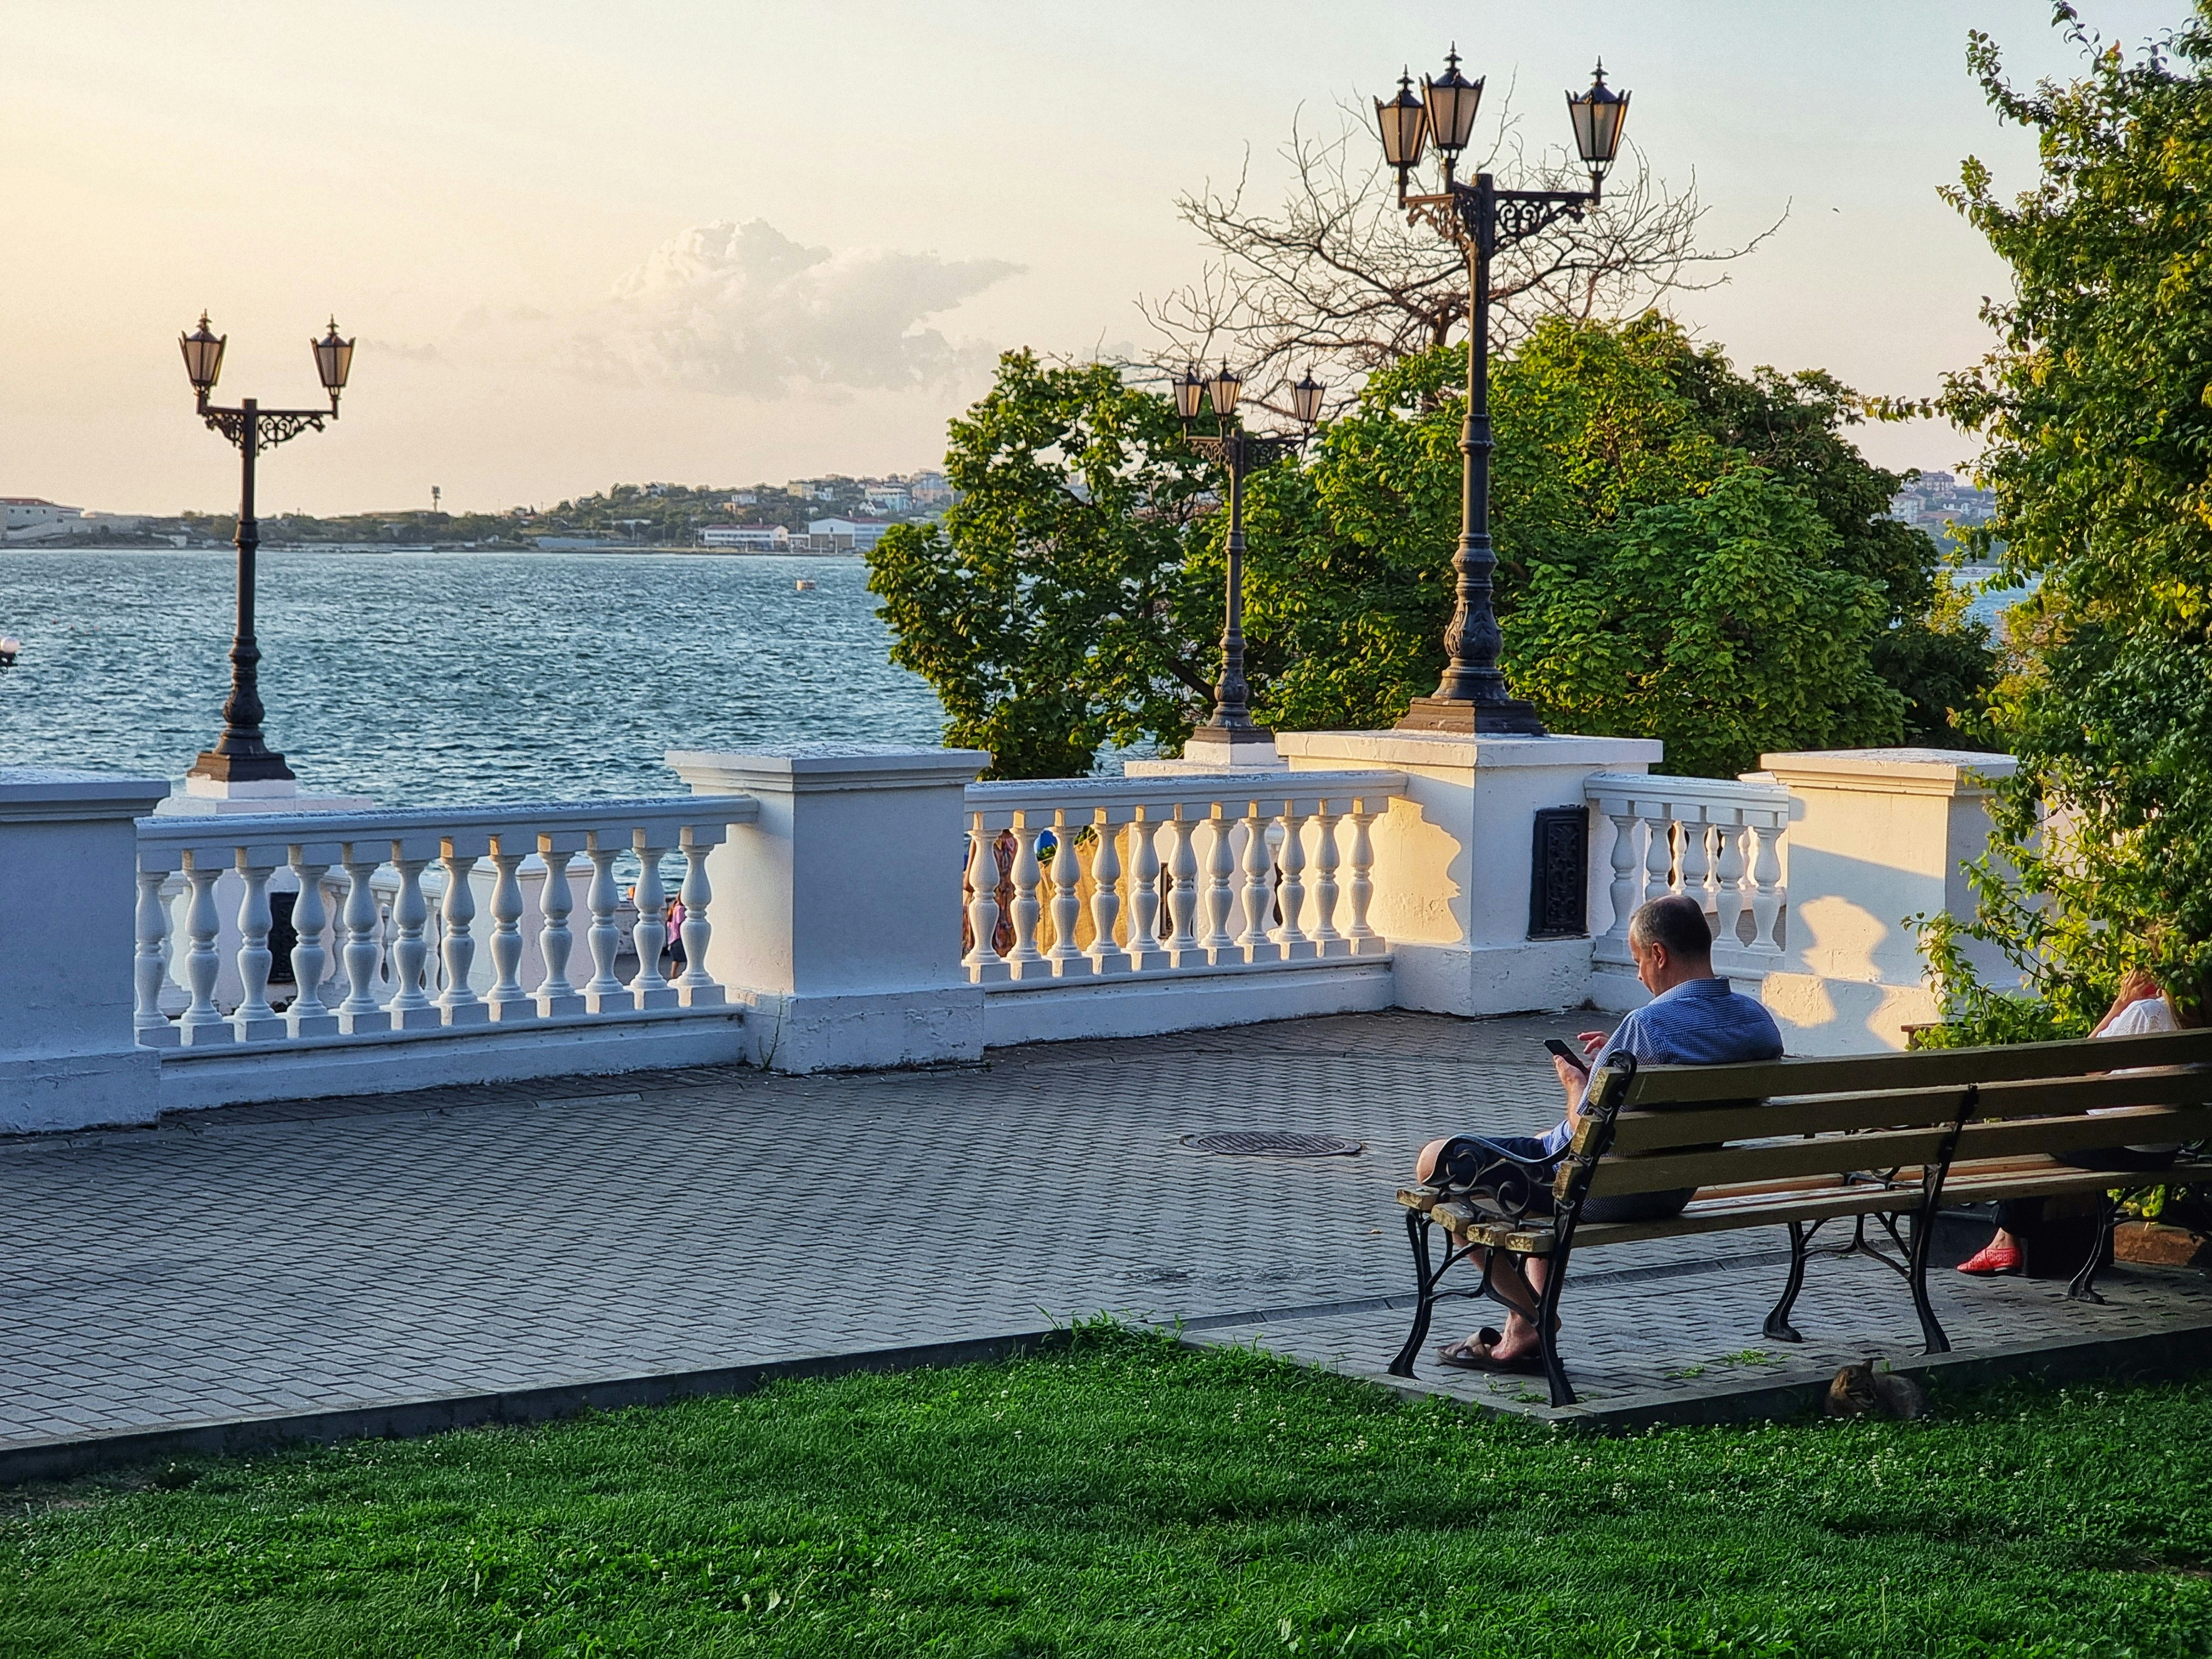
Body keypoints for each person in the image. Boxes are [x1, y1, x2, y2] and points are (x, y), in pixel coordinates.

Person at [1416, 893, 1785, 1373]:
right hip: (1670, 1190)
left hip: (1601, 1193)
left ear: (1659, 954)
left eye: (1637, 961)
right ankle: (1522, 1327)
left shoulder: (1645, 1026)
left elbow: (1581, 1131)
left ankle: (1534, 1316)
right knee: (1541, 1151)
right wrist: (1608, 1068)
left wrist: (1576, 1082)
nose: (1637, 975)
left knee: (1434, 1161)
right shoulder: (1757, 1022)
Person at [1956, 968, 2205, 1276]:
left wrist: (2120, 1006)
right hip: (2164, 1153)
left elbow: (2084, 1070)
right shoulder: (2203, 1021)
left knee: (2019, 1110)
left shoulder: (2148, 1013)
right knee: (2041, 1122)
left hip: (2115, 1149)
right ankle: (2004, 1238)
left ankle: (2006, 1237)